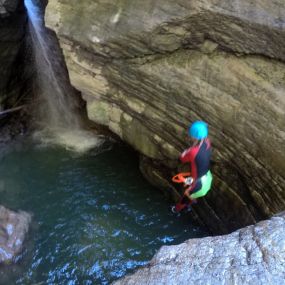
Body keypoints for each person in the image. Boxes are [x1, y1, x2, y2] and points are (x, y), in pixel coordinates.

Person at [172, 121, 213, 213]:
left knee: (186, 196)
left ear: (194, 136)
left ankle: (177, 209)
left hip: (199, 185)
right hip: (206, 177)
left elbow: (182, 159)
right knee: (190, 186)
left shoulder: (192, 152)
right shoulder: (207, 142)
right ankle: (192, 199)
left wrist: (187, 151)